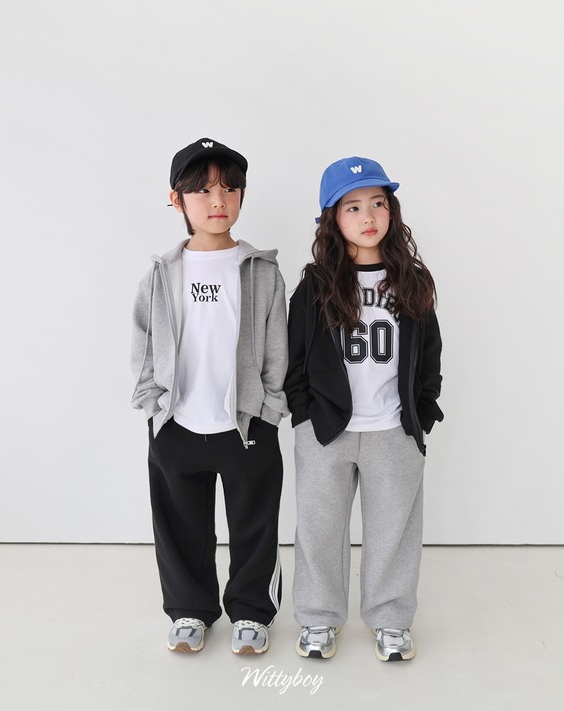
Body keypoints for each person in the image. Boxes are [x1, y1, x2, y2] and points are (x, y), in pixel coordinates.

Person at [131, 138, 288, 655]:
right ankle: (189, 611)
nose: (217, 200)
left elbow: (277, 348)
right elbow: (143, 342)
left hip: (246, 424)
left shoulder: (262, 271)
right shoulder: (160, 273)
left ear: (241, 196)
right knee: (180, 528)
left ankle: (252, 612)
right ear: (176, 199)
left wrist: (269, 410)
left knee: (254, 526)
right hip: (176, 424)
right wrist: (153, 404)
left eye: (229, 188)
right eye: (202, 190)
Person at [284, 156, 443, 662]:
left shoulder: (411, 280)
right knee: (319, 530)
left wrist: (421, 414)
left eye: (378, 203)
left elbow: (430, 355)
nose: (368, 216)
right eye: (352, 207)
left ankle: (391, 619)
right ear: (332, 218)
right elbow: (294, 358)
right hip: (327, 431)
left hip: (393, 430)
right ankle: (318, 618)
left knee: (394, 532)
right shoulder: (315, 285)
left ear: (391, 210)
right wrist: (304, 415)